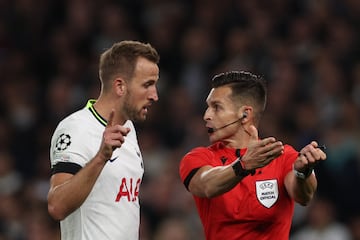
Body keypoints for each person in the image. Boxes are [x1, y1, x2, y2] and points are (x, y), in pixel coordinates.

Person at [179, 71, 327, 240]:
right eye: (208, 106)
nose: (207, 115)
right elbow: (206, 185)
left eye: (217, 107)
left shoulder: (282, 155)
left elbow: (304, 197)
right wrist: (243, 165)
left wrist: (302, 172)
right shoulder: (198, 158)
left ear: (245, 115)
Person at [47, 40, 160, 239]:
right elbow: (57, 206)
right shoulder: (76, 128)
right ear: (120, 86)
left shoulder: (129, 128)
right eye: (147, 85)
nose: (154, 95)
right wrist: (100, 158)